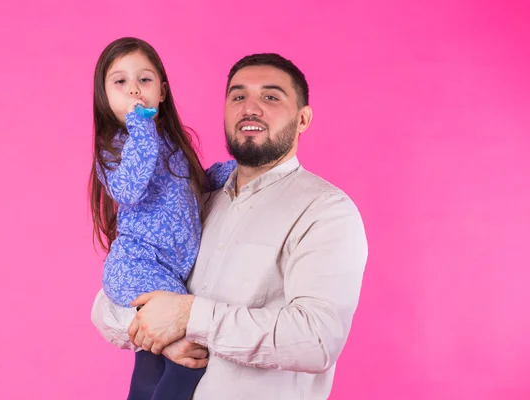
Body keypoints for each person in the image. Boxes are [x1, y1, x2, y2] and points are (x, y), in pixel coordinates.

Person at [92, 52, 368, 400]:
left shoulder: (324, 211)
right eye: (238, 96)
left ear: (303, 118)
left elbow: (316, 341)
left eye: (270, 96)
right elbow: (105, 308)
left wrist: (190, 317)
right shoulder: (196, 198)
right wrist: (160, 336)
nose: (250, 108)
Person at [89, 37, 235, 400]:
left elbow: (193, 186)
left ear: (163, 91)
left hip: (167, 269)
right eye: (120, 82)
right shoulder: (114, 147)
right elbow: (129, 189)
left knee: (152, 361)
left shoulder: (169, 141)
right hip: (139, 266)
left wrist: (237, 170)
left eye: (145, 80)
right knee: (189, 354)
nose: (134, 90)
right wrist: (140, 127)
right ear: (105, 97)